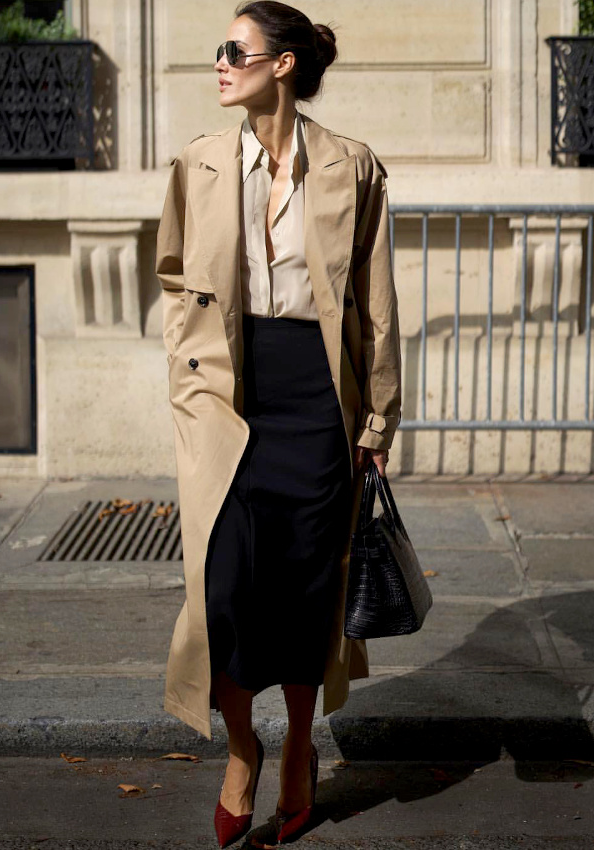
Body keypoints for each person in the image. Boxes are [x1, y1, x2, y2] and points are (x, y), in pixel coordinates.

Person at [155, 1, 402, 845]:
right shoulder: (199, 163)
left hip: (314, 399)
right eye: (220, 50)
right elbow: (173, 275)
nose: (219, 63)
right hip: (226, 395)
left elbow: (375, 305)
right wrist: (186, 381)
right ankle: (240, 749)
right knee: (220, 589)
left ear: (283, 64)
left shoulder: (352, 167)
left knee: (304, 594)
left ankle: (298, 744)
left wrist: (376, 421)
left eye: (236, 49)